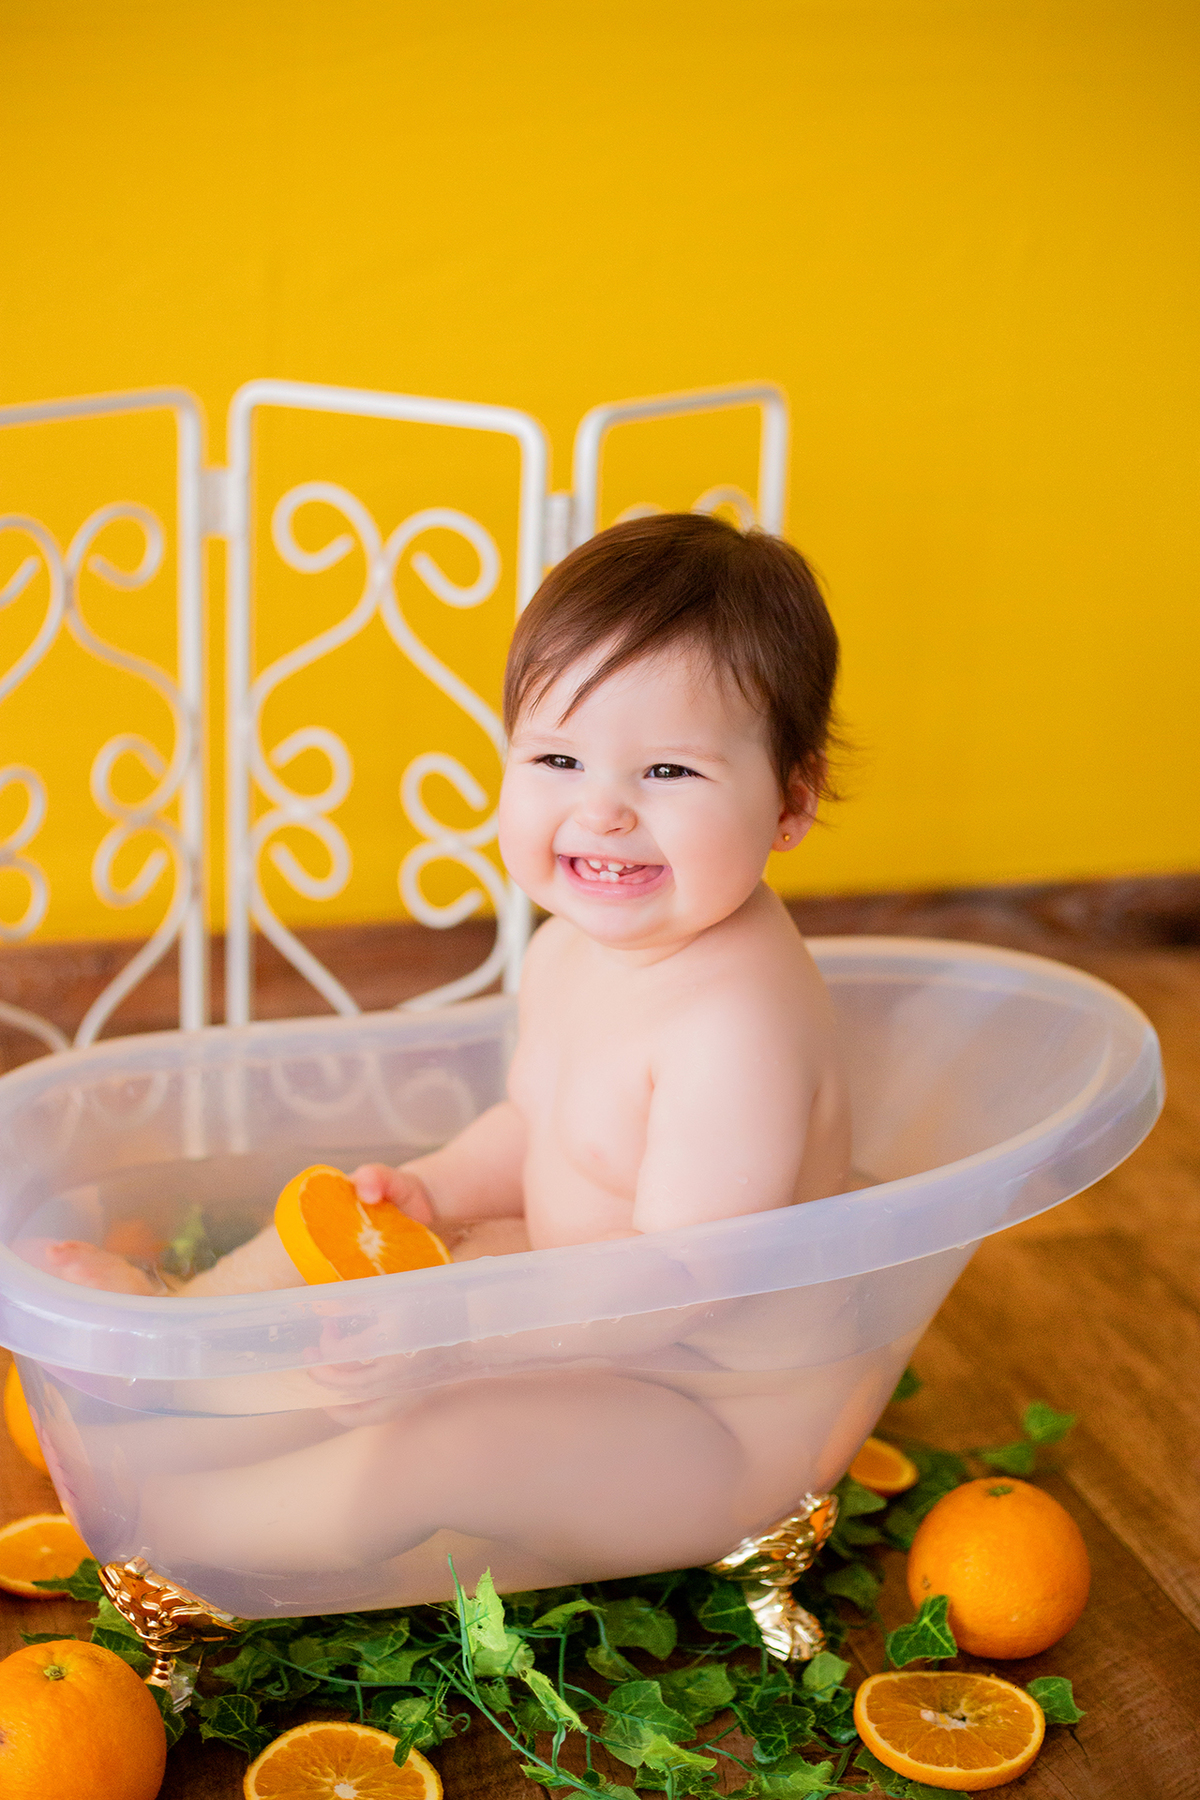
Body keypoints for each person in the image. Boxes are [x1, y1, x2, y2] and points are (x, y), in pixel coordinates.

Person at [33, 513, 863, 1592]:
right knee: (357, 1223)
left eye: (667, 771)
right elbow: (540, 1127)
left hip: (703, 1426)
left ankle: (181, 1523)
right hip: (577, 1318)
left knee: (439, 1438)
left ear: (790, 801)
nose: (601, 811)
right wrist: (431, 1189)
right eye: (558, 757)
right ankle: (187, 1346)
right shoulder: (576, 949)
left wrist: (462, 1339)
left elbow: (676, 1285)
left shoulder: (737, 1028)